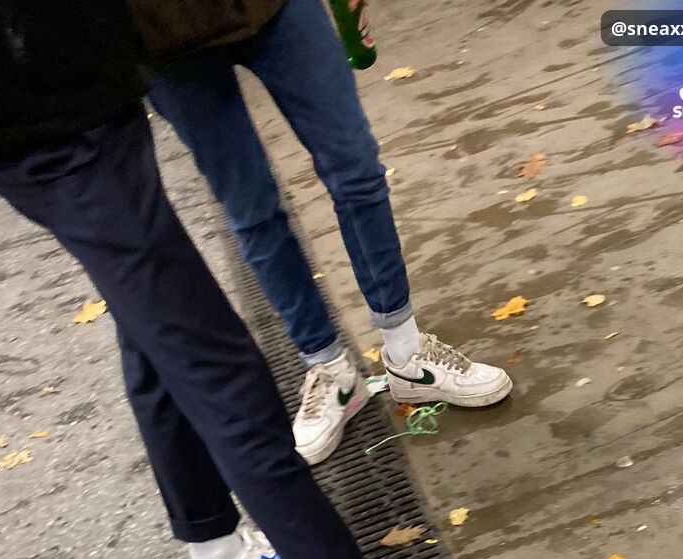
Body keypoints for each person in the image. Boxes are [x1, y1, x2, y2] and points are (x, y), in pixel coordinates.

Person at [0, 0, 521, 559]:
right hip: (45, 115)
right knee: (220, 372)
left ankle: (217, 553)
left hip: (68, 103)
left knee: (150, 333)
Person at [127, 0, 514, 466]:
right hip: (163, 36)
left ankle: (408, 355)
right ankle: (330, 369)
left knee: (356, 171)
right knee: (252, 209)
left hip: (275, 9)